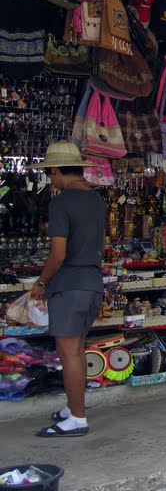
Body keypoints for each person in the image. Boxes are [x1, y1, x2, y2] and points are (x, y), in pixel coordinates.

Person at [29, 142, 106, 438]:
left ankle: (77, 418)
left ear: (57, 171)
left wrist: (40, 283)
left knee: (69, 353)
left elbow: (58, 254)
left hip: (69, 286)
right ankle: (72, 407)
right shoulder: (97, 201)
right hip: (91, 283)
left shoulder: (60, 204)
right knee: (77, 348)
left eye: (51, 174)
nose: (52, 180)